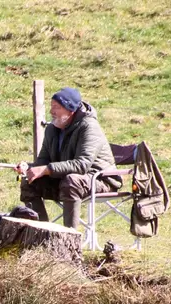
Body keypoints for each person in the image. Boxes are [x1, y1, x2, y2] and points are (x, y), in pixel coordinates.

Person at [14, 87, 120, 229]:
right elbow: (43, 161)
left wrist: (46, 169)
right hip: (65, 179)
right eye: (51, 106)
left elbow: (82, 165)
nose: (51, 111)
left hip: (100, 180)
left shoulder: (89, 127)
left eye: (56, 107)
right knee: (29, 181)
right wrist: (29, 168)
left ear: (70, 110)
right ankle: (42, 233)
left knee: (72, 181)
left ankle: (69, 238)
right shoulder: (52, 129)